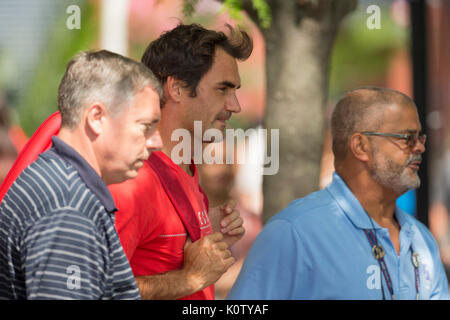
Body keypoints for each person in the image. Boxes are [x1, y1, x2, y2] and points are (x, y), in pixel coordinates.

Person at [228, 86, 450, 300]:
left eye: (420, 138)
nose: (419, 147)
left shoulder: (421, 238)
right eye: (406, 138)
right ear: (361, 146)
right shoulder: (295, 232)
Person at [0, 50, 163, 299]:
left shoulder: (60, 185)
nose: (156, 142)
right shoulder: (68, 209)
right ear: (96, 117)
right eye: (145, 127)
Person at [109, 23, 253, 300]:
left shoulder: (186, 169)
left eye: (234, 90)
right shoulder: (133, 180)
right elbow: (99, 289)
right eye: (222, 89)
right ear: (175, 88)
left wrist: (206, 235)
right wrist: (190, 278)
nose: (235, 105)